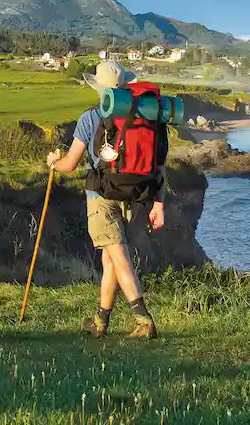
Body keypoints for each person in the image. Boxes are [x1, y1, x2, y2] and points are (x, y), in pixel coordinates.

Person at [46, 61, 166, 340]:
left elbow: (71, 164)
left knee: (118, 254)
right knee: (111, 257)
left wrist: (54, 162)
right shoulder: (148, 116)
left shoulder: (90, 117)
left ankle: (143, 319)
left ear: (99, 89)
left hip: (100, 194)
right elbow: (160, 166)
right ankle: (100, 321)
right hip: (135, 195)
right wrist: (159, 204)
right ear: (124, 86)